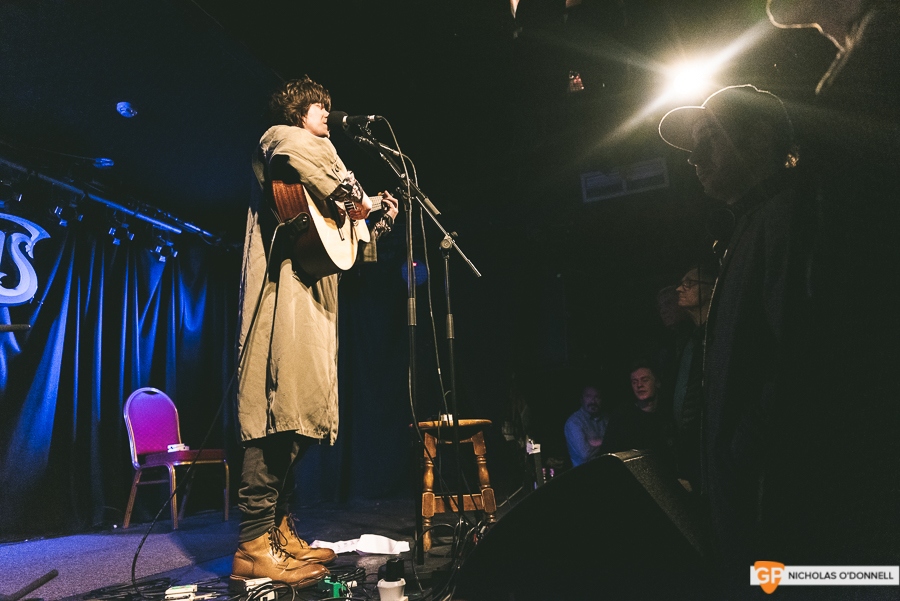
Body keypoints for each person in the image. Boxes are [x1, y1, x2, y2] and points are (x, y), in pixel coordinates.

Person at [232, 76, 399, 589]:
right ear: (296, 111)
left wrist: (373, 218)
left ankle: (280, 531)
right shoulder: (282, 140)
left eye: (326, 108)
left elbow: (343, 246)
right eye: (317, 107)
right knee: (274, 417)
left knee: (299, 421)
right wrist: (361, 199)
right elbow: (302, 154)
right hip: (281, 303)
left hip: (313, 305)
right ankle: (253, 547)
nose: (326, 115)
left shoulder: (316, 175)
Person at [659, 85, 806, 581]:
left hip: (776, 513)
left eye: (710, 138)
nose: (694, 157)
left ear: (760, 135)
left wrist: (742, 458)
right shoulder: (754, 223)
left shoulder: (789, 217)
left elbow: (803, 363)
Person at [670, 266, 715, 493]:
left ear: (711, 289)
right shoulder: (689, 340)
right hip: (688, 449)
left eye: (689, 283)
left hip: (710, 453)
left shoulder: (717, 337)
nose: (679, 289)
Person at [602, 363, 668, 458]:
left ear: (657, 382)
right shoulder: (622, 416)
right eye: (634, 382)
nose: (639, 385)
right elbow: (607, 454)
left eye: (645, 380)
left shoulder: (667, 414)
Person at [564, 385, 608, 467]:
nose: (593, 401)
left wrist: (597, 442)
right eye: (588, 396)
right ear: (581, 400)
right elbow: (585, 454)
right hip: (585, 475)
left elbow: (617, 445)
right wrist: (607, 441)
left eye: (597, 397)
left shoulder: (606, 419)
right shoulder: (574, 422)